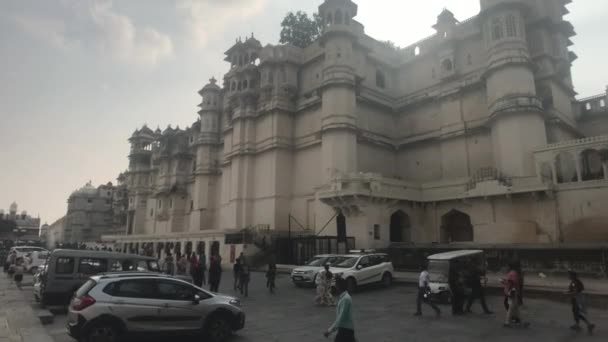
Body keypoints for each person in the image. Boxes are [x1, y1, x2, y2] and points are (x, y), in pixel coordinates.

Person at [324, 277, 355, 342]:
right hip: (346, 330)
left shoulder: (345, 299)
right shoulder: (344, 297)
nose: (335, 287)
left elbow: (341, 317)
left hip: (345, 330)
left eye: (336, 285)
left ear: (339, 286)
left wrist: (330, 330)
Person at [501, 262, 525, 327]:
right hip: (513, 292)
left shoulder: (512, 273)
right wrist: (505, 281)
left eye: (507, 266)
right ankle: (508, 322)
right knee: (512, 307)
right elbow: (512, 281)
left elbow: (511, 281)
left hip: (512, 292)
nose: (506, 267)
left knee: (515, 307)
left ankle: (519, 321)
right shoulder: (513, 273)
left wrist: (505, 281)